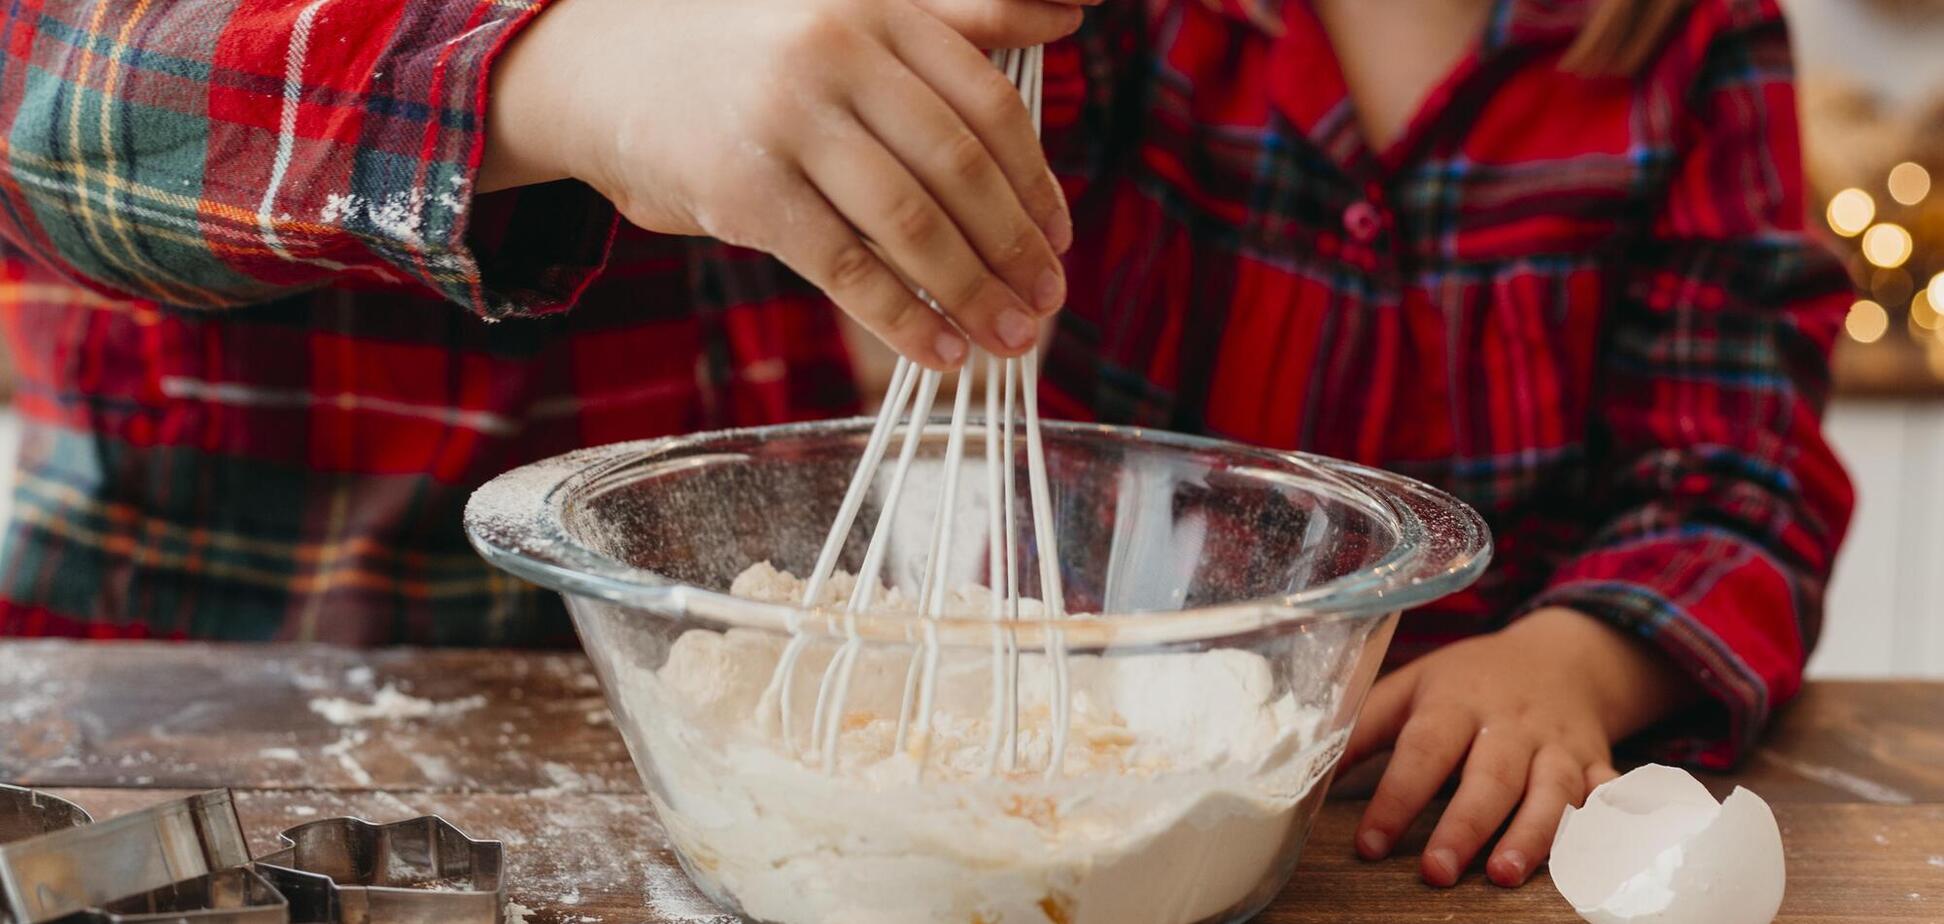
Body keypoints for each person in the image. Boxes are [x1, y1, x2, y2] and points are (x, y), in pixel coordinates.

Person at [0, 0, 1851, 893]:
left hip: (795, 764)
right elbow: (50, 93)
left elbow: (1729, 463)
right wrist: (577, 76)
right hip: (199, 723)